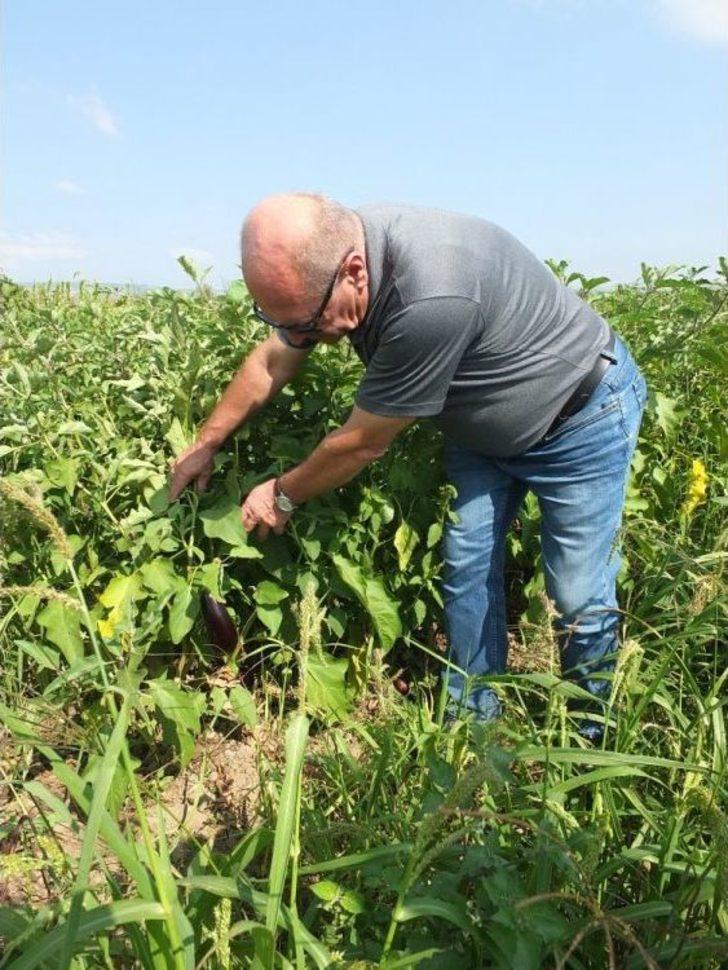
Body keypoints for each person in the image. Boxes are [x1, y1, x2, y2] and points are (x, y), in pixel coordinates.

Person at [169, 192, 647, 738]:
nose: (301, 340)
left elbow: (360, 444)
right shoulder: (332, 261)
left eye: (307, 323)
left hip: (579, 417)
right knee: (467, 568)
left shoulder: (429, 297)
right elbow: (274, 358)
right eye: (285, 323)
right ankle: (473, 727)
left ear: (353, 271)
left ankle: (592, 735)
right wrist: (205, 443)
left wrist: (281, 494)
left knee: (576, 590)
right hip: (481, 431)